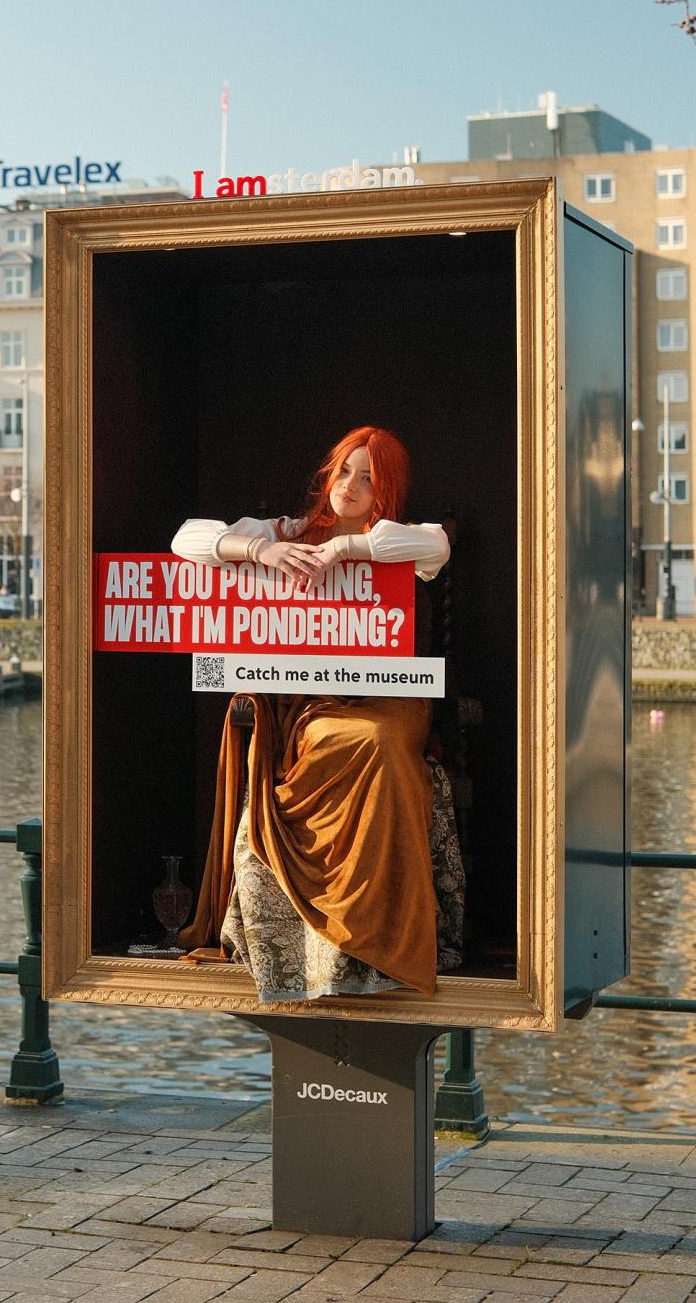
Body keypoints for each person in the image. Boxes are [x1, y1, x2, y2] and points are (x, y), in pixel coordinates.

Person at [171, 425, 455, 998]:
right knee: (339, 741)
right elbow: (186, 540)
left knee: (378, 740)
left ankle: (377, 943)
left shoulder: (395, 538)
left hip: (389, 695)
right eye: (344, 471)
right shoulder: (287, 532)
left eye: (369, 479)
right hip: (313, 701)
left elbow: (437, 547)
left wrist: (346, 547)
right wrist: (262, 550)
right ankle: (325, 944)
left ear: (387, 490)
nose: (350, 486)